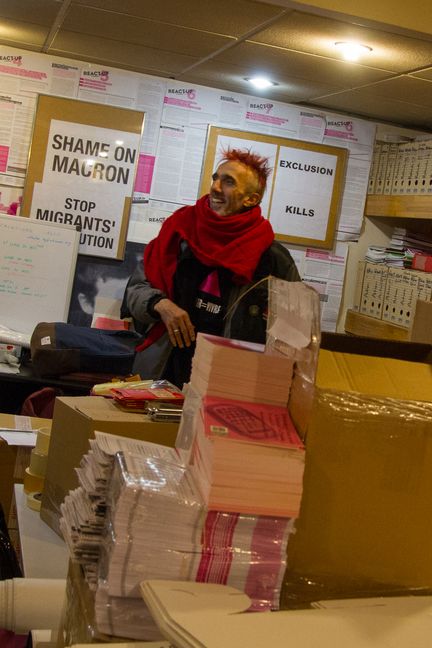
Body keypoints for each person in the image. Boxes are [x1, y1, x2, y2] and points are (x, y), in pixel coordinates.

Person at [122, 148, 301, 387]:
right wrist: (160, 304)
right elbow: (136, 290)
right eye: (215, 178)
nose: (215, 187)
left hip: (229, 382)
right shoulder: (179, 232)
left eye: (228, 182)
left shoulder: (273, 259)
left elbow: (295, 330)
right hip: (163, 371)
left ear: (251, 199)